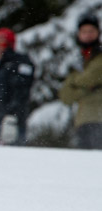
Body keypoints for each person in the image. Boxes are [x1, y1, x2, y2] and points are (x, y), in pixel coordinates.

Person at [0, 28, 35, 146]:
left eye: (3, 43)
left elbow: (21, 92)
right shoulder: (1, 67)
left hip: (9, 123)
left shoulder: (19, 64)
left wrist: (11, 117)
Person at [59, 13, 102, 150]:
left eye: (91, 31)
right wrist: (86, 88)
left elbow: (90, 77)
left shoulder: (98, 58)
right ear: (78, 34)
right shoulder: (78, 60)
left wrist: (75, 82)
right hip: (82, 121)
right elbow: (65, 96)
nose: (88, 35)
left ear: (98, 33)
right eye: (84, 31)